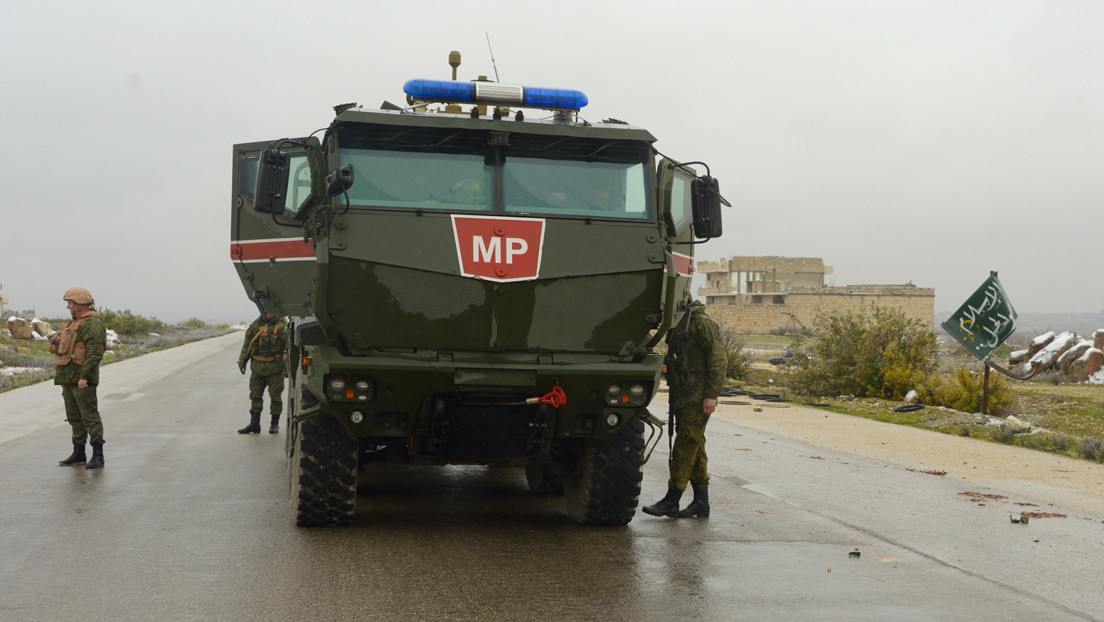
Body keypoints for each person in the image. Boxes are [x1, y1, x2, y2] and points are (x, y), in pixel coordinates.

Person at [642, 299, 727, 519]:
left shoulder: (700, 323)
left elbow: (719, 359)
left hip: (698, 396)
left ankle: (672, 499)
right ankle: (701, 502)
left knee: (685, 443)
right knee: (694, 444)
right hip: (684, 394)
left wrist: (711, 395)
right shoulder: (680, 323)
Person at [52, 287, 108, 469]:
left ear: (80, 304)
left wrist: (85, 377)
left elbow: (95, 353)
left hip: (82, 380)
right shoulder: (75, 323)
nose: (68, 307)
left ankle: (98, 455)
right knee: (74, 418)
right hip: (69, 378)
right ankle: (79, 453)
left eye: (70, 303)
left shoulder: (92, 323)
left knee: (90, 417)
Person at [237, 310, 288, 434]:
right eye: (265, 311)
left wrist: (287, 368)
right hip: (257, 369)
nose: (267, 313)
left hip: (275, 370)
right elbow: (247, 343)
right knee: (255, 396)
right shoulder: (257, 324)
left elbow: (291, 348)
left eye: (269, 310)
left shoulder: (282, 327)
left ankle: (274, 424)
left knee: (275, 397)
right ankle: (254, 424)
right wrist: (242, 361)